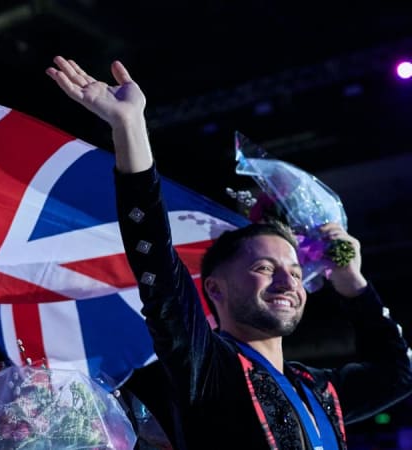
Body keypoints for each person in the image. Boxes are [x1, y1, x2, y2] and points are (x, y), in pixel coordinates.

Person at [45, 55, 412, 449]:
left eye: (294, 268)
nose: (289, 280)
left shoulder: (319, 391)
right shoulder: (207, 367)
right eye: (264, 267)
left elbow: (398, 374)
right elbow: (155, 260)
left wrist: (351, 281)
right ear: (215, 289)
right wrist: (129, 125)